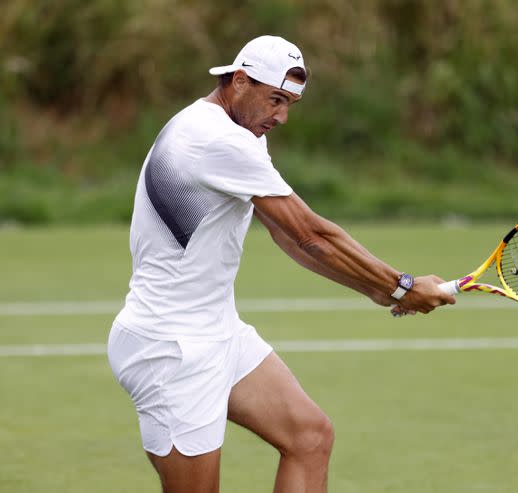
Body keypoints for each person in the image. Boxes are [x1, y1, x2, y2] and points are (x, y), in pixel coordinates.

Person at [107, 35, 455, 493]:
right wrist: (401, 285)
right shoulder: (217, 140)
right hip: (171, 348)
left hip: (217, 334)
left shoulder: (235, 131)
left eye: (289, 103)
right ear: (238, 81)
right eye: (275, 99)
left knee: (310, 438)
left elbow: (287, 235)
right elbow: (311, 232)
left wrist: (376, 289)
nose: (282, 116)